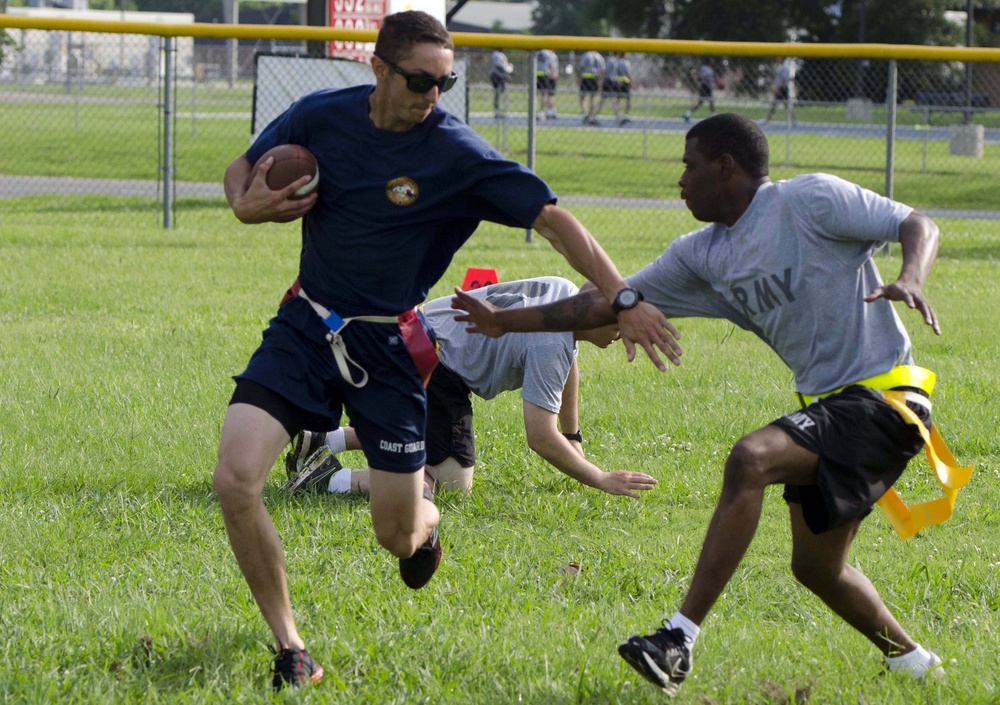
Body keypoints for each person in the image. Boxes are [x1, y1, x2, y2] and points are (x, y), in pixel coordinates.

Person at [217, 9, 670, 690]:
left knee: (394, 535)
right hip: (307, 323)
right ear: (378, 68)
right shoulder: (321, 116)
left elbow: (553, 219)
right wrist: (244, 204)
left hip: (391, 345)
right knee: (235, 478)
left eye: (445, 83)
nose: (433, 95)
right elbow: (244, 165)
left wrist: (624, 297)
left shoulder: (454, 153)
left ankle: (423, 527)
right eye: (421, 80)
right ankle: (292, 647)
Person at [452, 113, 958, 696]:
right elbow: (602, 305)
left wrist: (912, 276)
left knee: (751, 459)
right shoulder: (702, 255)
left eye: (689, 166)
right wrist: (502, 322)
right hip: (831, 407)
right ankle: (915, 662)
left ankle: (677, 639)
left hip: (886, 398)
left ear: (725, 168)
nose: (681, 181)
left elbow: (917, 222)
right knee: (817, 569)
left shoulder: (809, 199)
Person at [283, 277, 659, 499]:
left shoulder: (565, 296)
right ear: (593, 315)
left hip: (422, 341)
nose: (624, 334)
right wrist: (600, 478)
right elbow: (539, 437)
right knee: (448, 484)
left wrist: (572, 436)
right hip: (432, 362)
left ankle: (323, 438)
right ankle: (326, 480)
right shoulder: (552, 342)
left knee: (427, 450)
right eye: (619, 325)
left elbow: (569, 362)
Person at [761, 58, 796, 124]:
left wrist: (778, 89)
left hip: (782, 88)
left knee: (785, 105)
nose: (777, 59)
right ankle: (768, 119)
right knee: (776, 104)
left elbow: (784, 79)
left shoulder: (785, 67)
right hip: (780, 88)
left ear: (782, 58)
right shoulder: (780, 66)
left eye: (779, 58)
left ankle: (794, 120)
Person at [683, 57, 717, 123]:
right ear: (708, 61)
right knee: (706, 102)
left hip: (708, 87)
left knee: (708, 102)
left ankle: (687, 113)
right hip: (705, 87)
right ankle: (713, 116)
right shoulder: (704, 68)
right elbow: (701, 77)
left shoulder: (709, 69)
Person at [577, 50, 605, 125]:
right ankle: (591, 116)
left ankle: (585, 113)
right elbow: (602, 71)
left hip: (586, 76)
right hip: (595, 77)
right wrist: (601, 81)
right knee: (593, 98)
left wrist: (578, 78)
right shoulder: (599, 57)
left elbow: (581, 67)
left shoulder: (586, 55)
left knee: (582, 97)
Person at [535, 48, 559, 120]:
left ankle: (534, 111)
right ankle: (542, 112)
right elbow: (552, 66)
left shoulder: (537, 52)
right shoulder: (550, 54)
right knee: (545, 94)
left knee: (535, 94)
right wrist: (551, 76)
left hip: (536, 74)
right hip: (546, 74)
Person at [490, 48, 512, 118]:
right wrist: (507, 70)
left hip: (501, 76)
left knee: (502, 94)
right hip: (498, 76)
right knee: (498, 93)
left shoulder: (500, 55)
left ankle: (502, 110)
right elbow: (499, 65)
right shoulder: (497, 54)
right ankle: (497, 110)